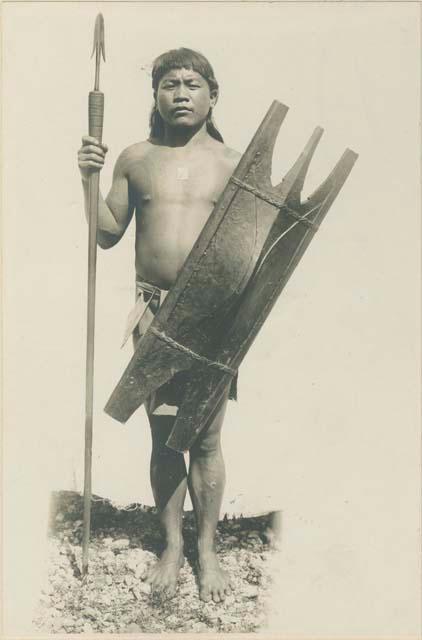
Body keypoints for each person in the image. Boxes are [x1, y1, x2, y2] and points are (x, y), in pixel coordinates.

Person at [77, 48, 241, 603]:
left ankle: (208, 551)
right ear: (155, 96)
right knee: (166, 435)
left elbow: (254, 252)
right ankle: (172, 546)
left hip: (214, 320)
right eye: (169, 83)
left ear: (212, 95)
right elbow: (105, 233)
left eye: (193, 83)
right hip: (156, 315)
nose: (180, 93)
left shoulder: (234, 164)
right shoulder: (135, 158)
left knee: (209, 438)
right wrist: (88, 180)